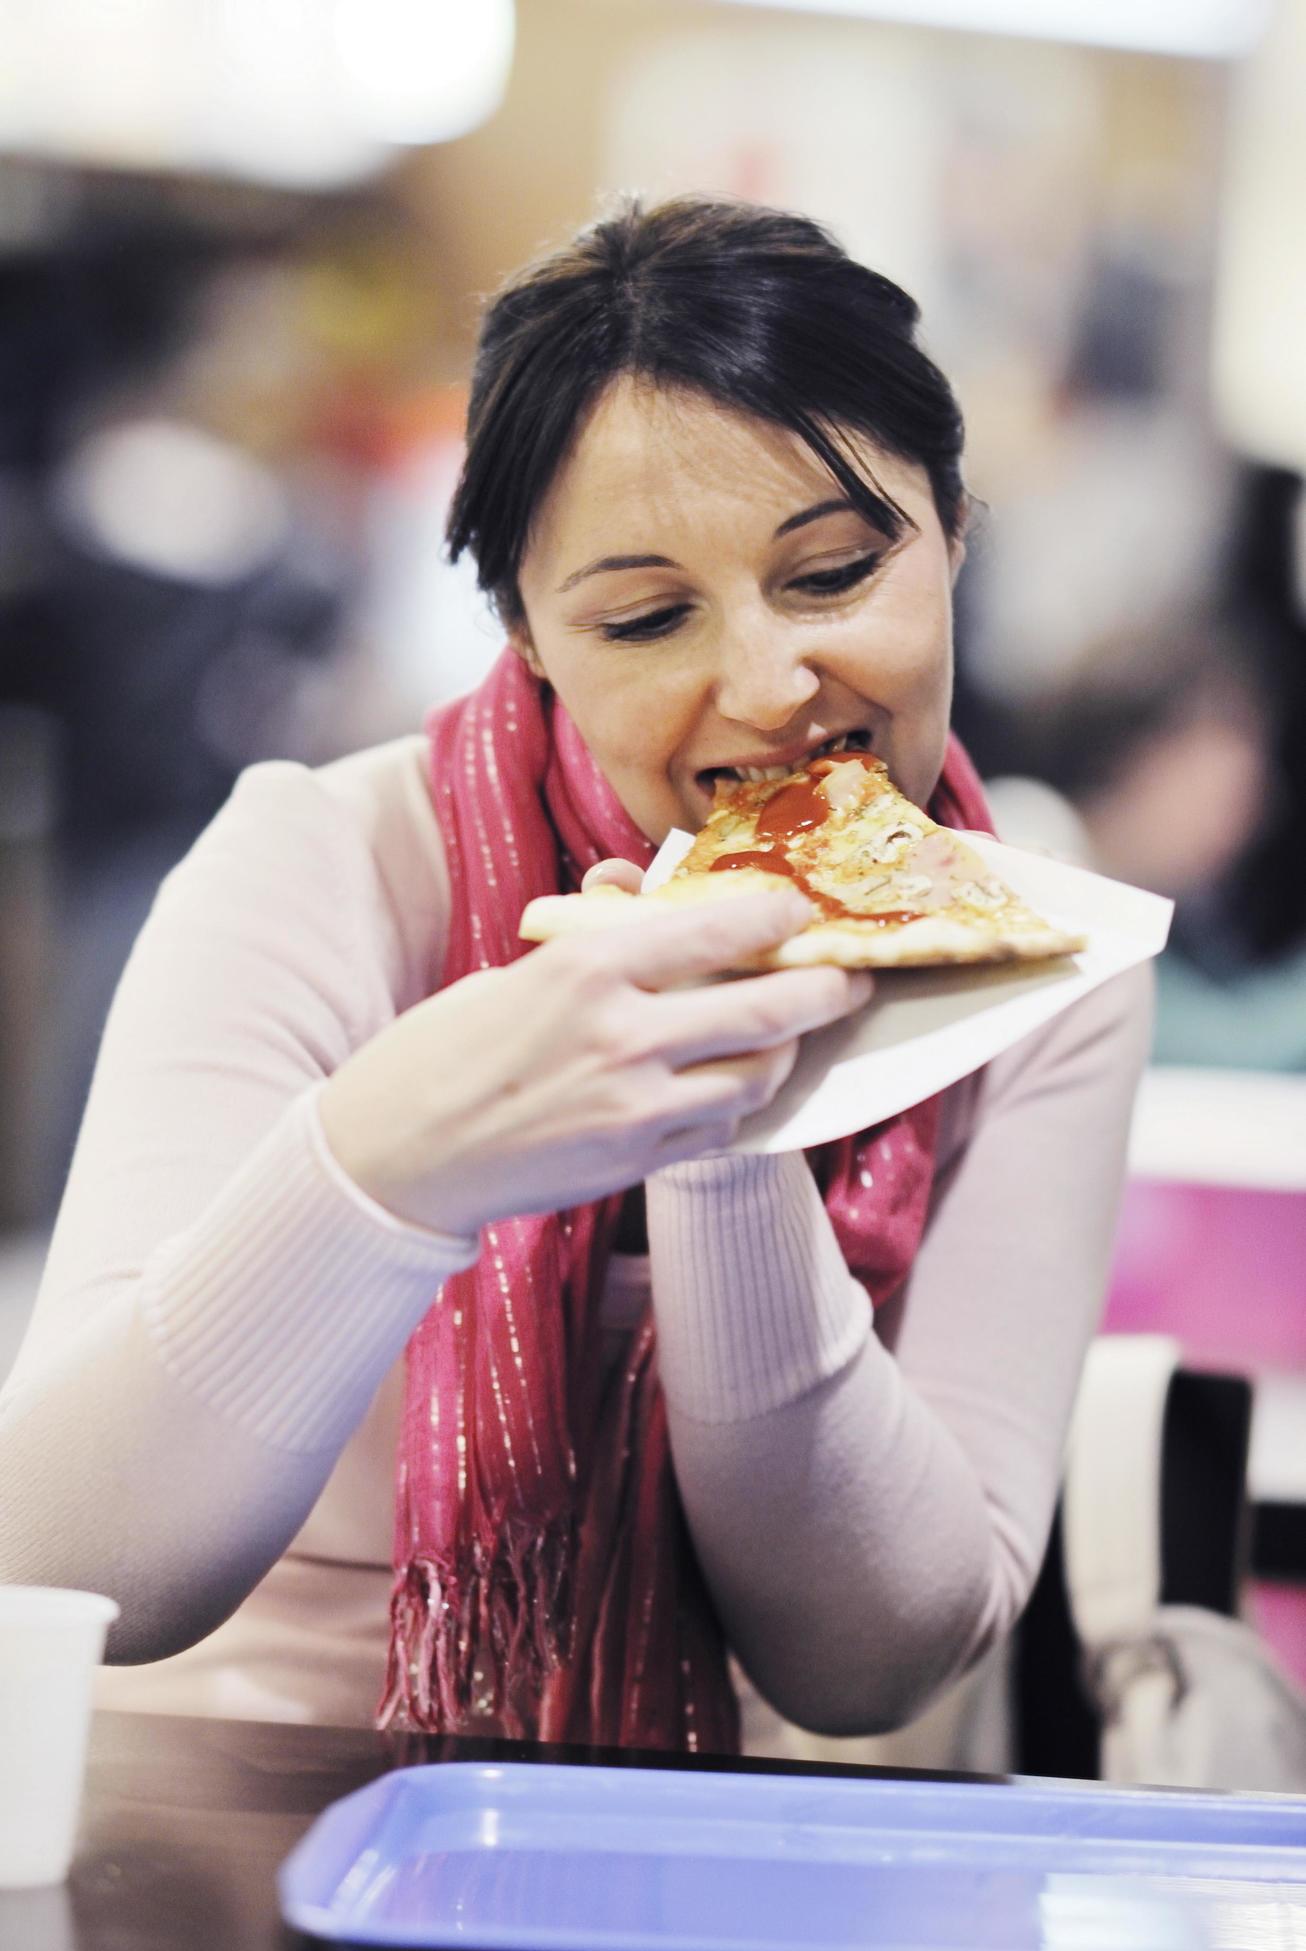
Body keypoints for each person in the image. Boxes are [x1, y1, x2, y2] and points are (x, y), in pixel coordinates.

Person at [0, 198, 1150, 1752]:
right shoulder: (328, 868)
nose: (766, 687)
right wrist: (397, 1159)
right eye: (644, 616)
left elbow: (876, 1663)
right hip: (233, 1808)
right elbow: (68, 1565)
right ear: (529, 636)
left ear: (950, 530)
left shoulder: (1044, 966)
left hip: (734, 1840)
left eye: (829, 575)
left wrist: (722, 1156)